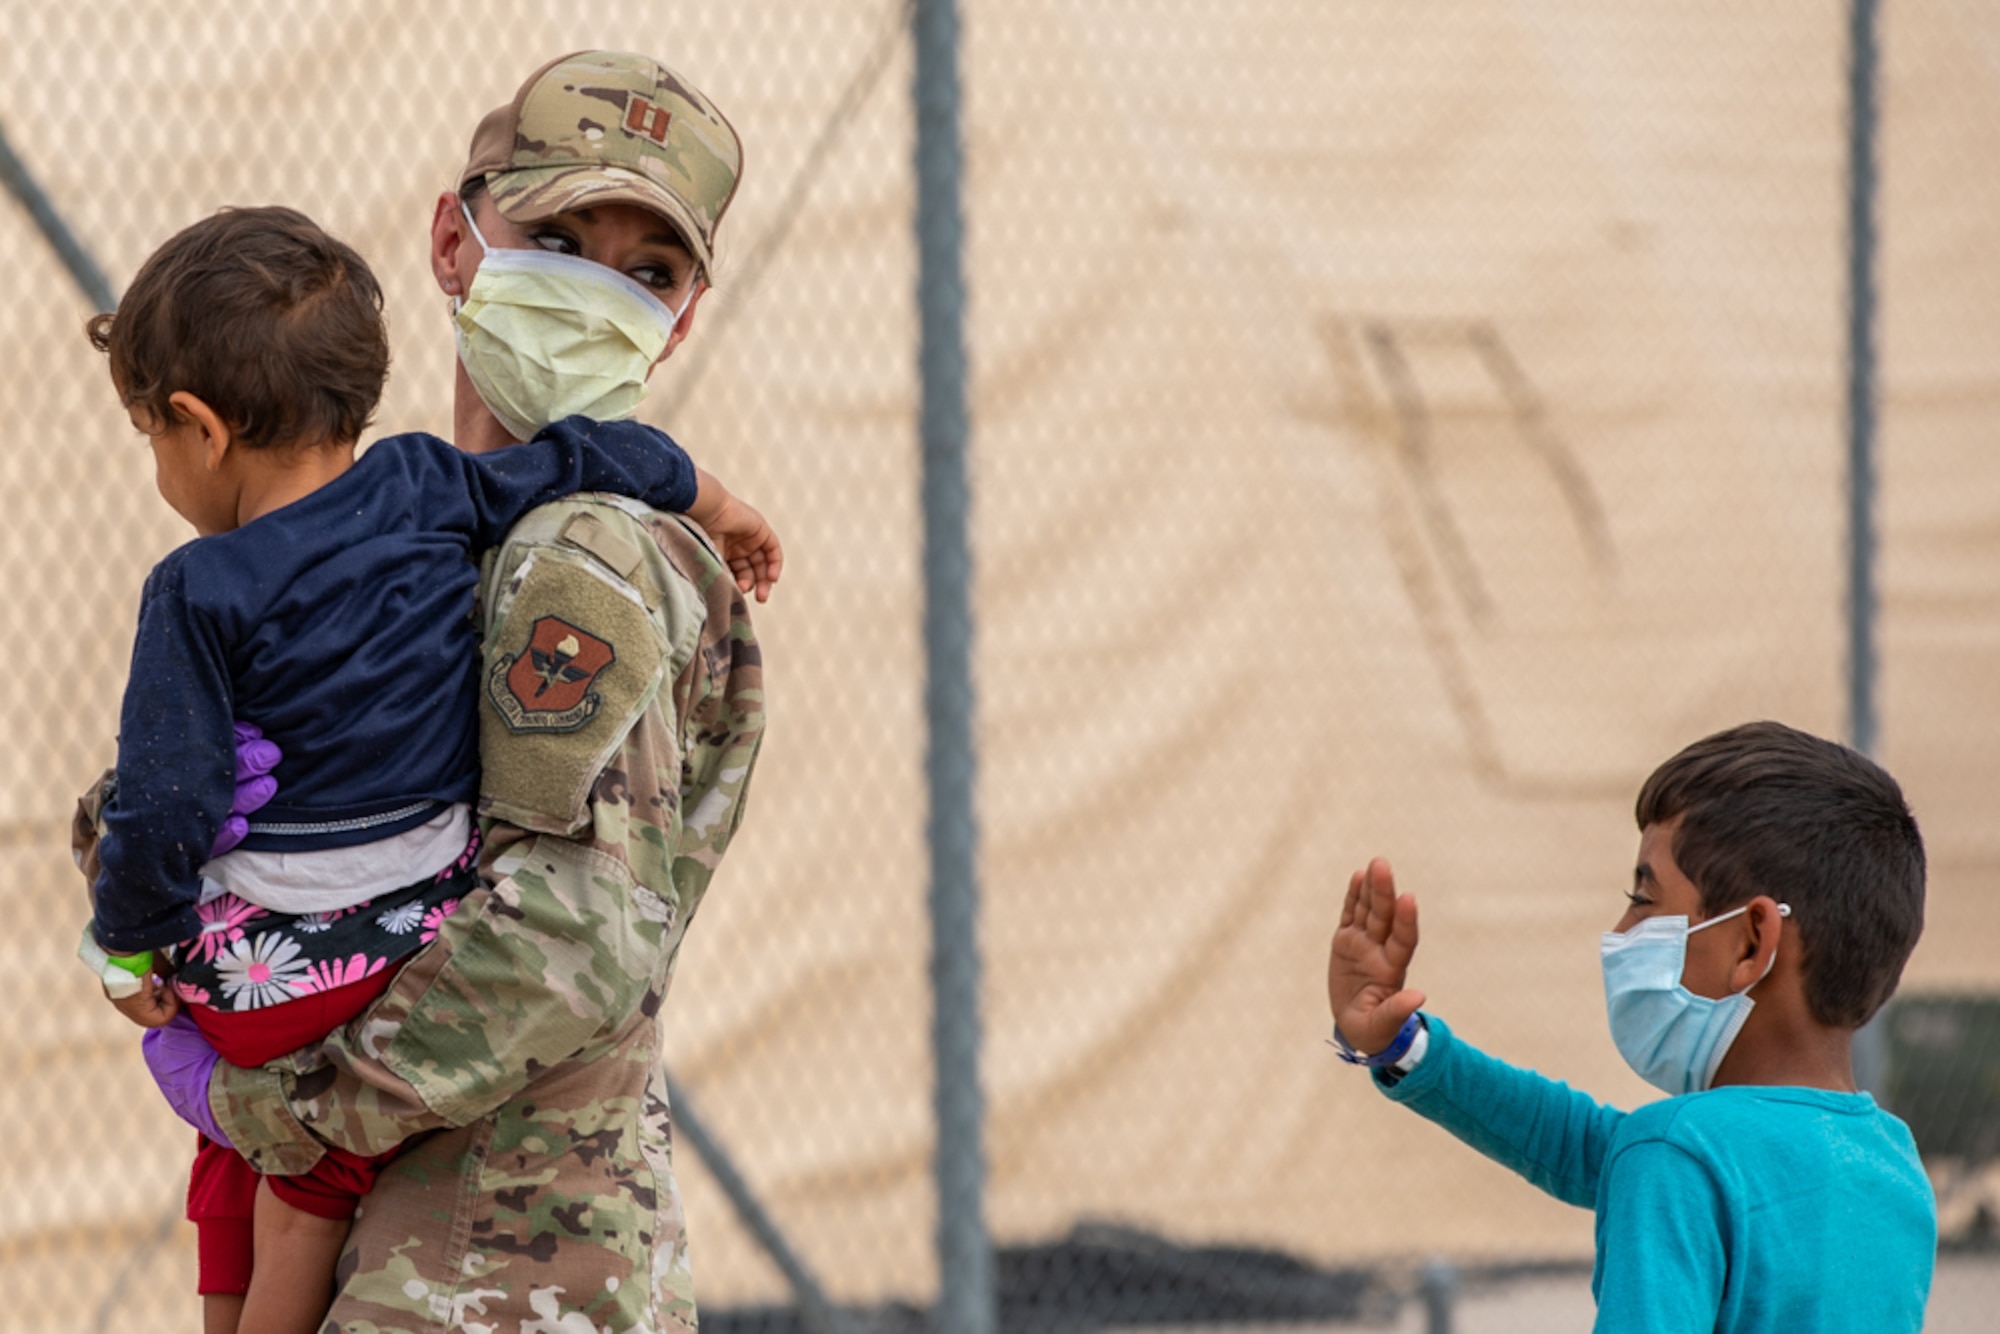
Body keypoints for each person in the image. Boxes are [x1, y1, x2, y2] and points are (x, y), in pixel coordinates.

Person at [96, 50, 768, 1331]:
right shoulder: (419, 528)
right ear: (453, 243)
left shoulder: (586, 552)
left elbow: (570, 931)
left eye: (648, 272)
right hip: (434, 1242)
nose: (592, 289)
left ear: (680, 320)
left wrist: (292, 1114)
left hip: (492, 1259)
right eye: (558, 234)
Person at [1325, 720, 1936, 1333]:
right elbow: (1587, 1146)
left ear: (1752, 941)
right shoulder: (1891, 1163)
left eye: (1642, 900)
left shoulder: (1677, 1154)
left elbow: (1647, 1159)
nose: (1620, 934)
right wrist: (1402, 1046)